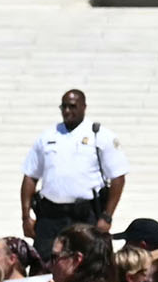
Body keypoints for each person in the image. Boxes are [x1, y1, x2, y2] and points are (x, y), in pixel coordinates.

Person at [18, 90, 129, 249]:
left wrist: (107, 216)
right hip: (50, 215)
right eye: (63, 107)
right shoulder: (47, 136)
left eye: (72, 106)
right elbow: (30, 176)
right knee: (43, 264)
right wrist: (25, 216)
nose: (67, 111)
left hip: (85, 215)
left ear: (84, 106)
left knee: (86, 264)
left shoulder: (99, 135)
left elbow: (118, 177)